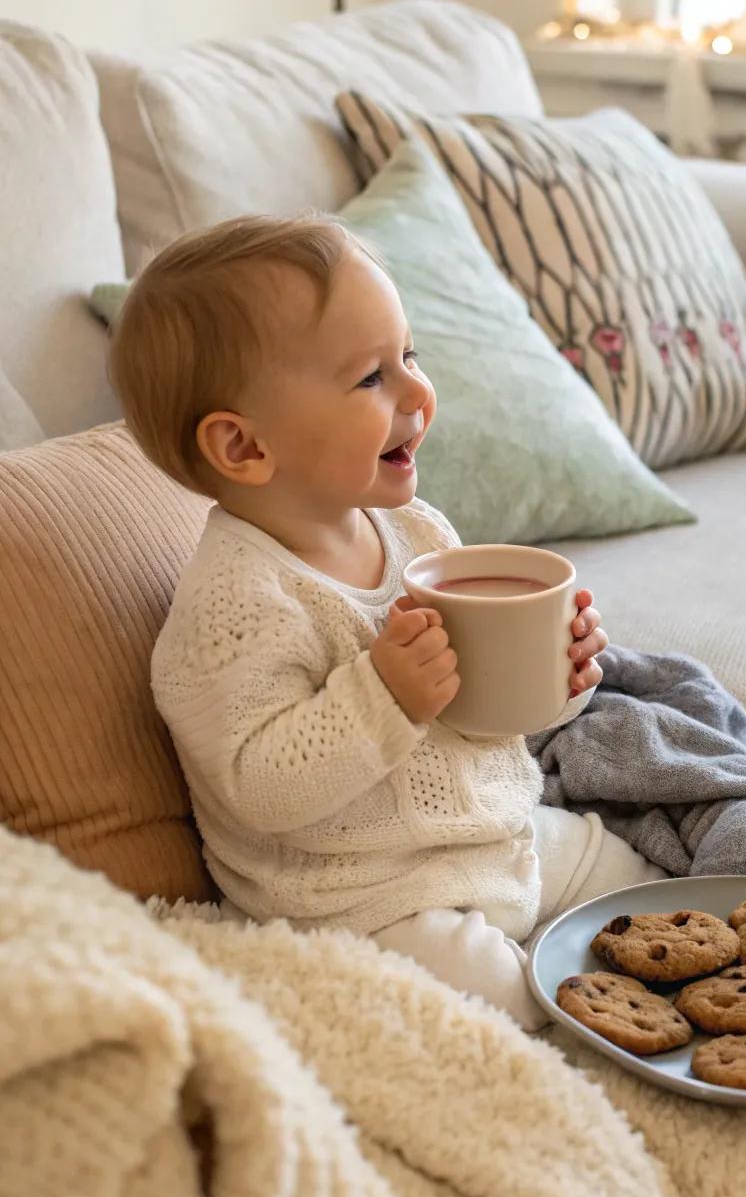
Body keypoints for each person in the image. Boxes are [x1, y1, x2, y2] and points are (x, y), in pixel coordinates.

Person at [110, 214, 665, 1029]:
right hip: (361, 899)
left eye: (410, 357)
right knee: (505, 996)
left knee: (637, 883)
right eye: (371, 378)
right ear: (243, 447)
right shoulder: (237, 604)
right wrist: (384, 697)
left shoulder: (417, 533)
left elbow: (478, 714)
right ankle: (572, 1038)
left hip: (488, 841)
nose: (417, 393)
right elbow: (260, 783)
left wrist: (561, 678)